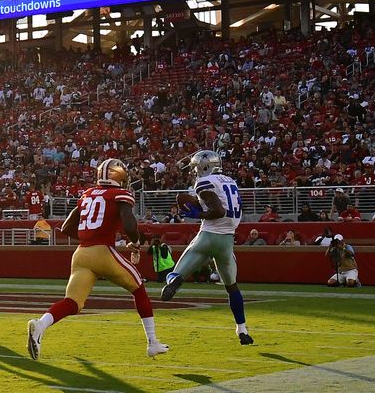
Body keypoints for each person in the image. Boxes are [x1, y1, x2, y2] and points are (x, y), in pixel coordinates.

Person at [26, 158, 169, 360]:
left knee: (73, 302)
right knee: (139, 289)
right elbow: (130, 226)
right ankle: (152, 342)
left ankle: (41, 324)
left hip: (81, 254)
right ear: (119, 175)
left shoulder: (87, 194)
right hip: (103, 252)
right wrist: (135, 243)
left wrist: (91, 236)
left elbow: (66, 228)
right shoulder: (120, 193)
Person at [161, 150, 254, 345]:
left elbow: (217, 210)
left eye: (195, 168)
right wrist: (200, 206)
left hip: (208, 236)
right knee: (232, 288)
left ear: (204, 167)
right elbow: (221, 206)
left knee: (174, 274)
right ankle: (242, 330)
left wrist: (197, 214)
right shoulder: (230, 181)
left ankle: (174, 282)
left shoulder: (204, 182)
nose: (194, 173)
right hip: (227, 241)